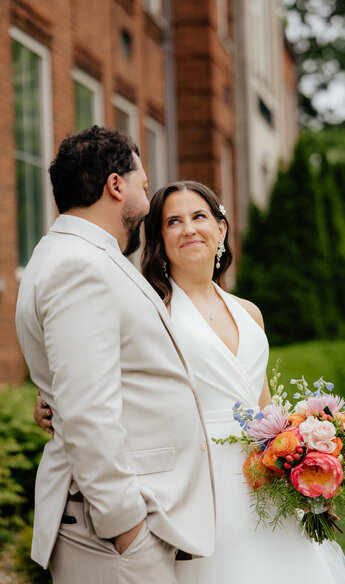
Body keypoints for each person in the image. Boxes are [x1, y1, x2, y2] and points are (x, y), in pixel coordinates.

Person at [35, 179, 345, 583]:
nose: (188, 229)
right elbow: (88, 368)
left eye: (199, 216)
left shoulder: (250, 313)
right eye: (173, 221)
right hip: (194, 485)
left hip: (263, 482)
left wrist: (305, 460)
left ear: (220, 229)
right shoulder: (150, 311)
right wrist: (48, 399)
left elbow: (264, 407)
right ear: (159, 237)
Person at [16, 128, 215, 584]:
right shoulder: (79, 267)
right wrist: (125, 526)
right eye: (144, 186)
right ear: (116, 185)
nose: (147, 200)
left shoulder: (73, 255)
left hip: (118, 531)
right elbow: (88, 411)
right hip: (112, 538)